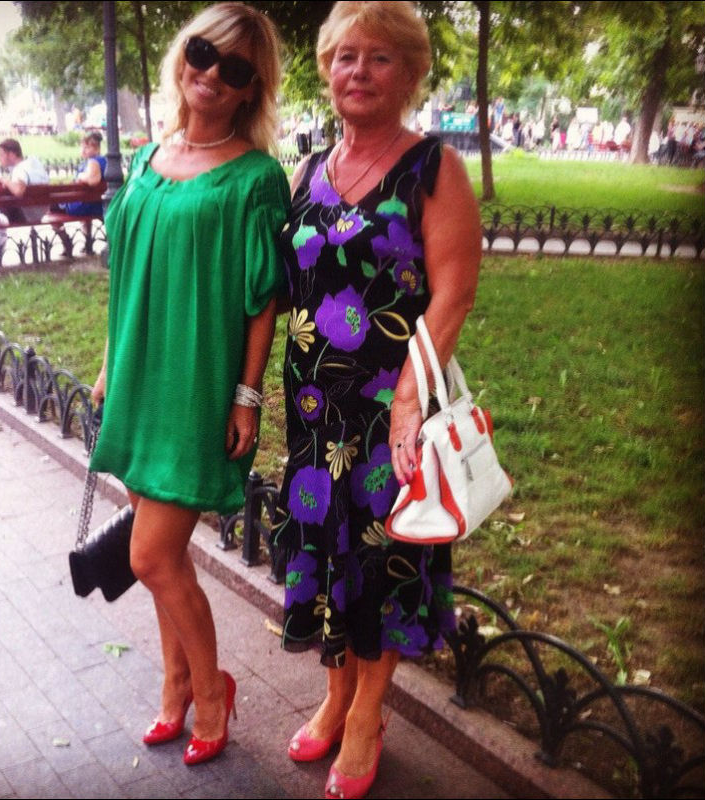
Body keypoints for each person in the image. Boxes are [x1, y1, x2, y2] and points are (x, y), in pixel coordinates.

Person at [271, 2, 482, 798]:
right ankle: (334, 696)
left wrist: (408, 400)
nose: (358, 71)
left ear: (412, 73)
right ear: (326, 69)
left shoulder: (434, 168)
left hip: (392, 407)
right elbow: (281, 289)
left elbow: (454, 294)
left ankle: (367, 713)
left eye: (380, 58)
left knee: (381, 558)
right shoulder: (304, 173)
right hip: (312, 410)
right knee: (324, 550)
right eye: (345, 56)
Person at [88, 2, 288, 767]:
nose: (212, 74)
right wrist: (109, 364)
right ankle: (174, 685)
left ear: (251, 88)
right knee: (163, 560)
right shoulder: (147, 158)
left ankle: (211, 691)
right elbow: (126, 274)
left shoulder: (255, 178)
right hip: (137, 378)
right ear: (184, 54)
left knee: (149, 557)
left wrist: (246, 395)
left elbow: (263, 298)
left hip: (195, 384)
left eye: (235, 68)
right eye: (203, 52)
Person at [0, 138, 49, 224]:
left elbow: (19, 191)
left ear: (12, 155)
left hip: (27, 215)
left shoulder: (20, 169)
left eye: (1, 155)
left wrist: (4, 180)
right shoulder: (34, 163)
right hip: (42, 212)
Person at [58, 131, 107, 217]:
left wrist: (80, 176)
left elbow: (93, 180)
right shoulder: (105, 161)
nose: (83, 151)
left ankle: (59, 228)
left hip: (82, 206)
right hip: (96, 204)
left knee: (51, 203)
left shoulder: (93, 161)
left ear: (97, 149)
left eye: (87, 148)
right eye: (82, 147)